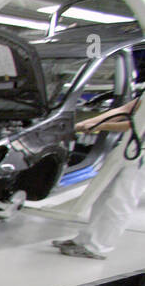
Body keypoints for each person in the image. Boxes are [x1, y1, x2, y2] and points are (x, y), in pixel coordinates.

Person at [52, 93, 144, 259]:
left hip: (140, 154)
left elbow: (134, 124)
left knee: (121, 201)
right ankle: (85, 240)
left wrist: (100, 125)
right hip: (128, 147)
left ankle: (99, 247)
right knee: (104, 195)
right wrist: (88, 123)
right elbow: (126, 109)